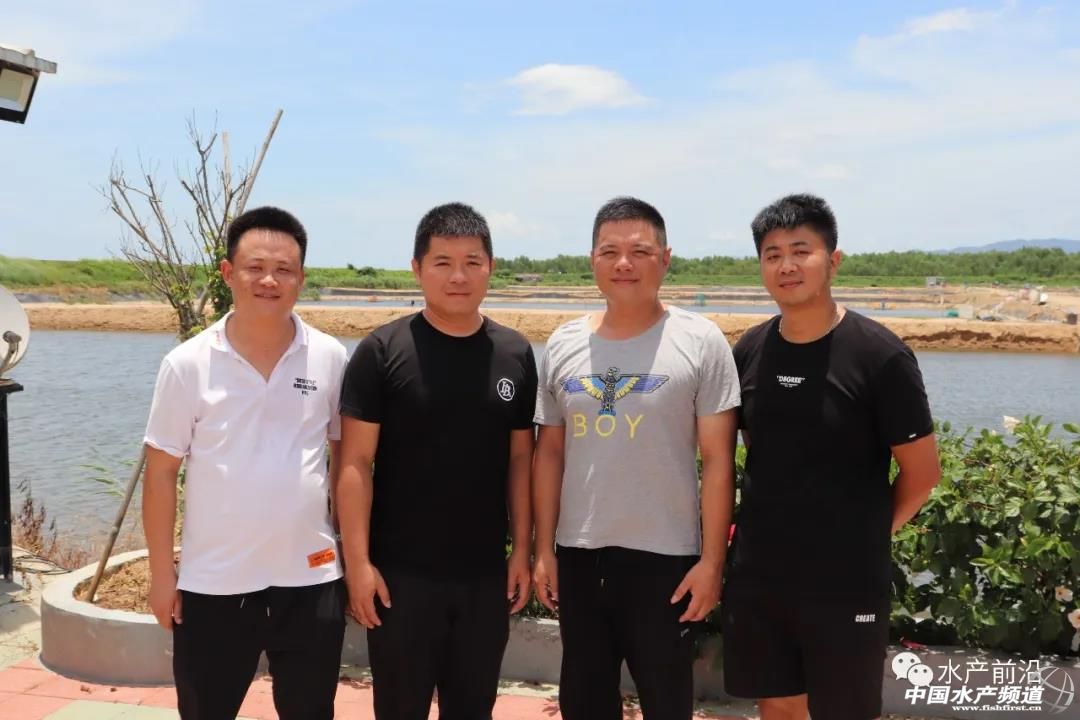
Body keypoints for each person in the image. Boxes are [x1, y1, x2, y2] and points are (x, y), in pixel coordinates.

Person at [721, 193, 942, 720]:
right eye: (773, 254)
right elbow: (756, 448)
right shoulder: (749, 351)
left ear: (833, 260)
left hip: (847, 582)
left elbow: (922, 473)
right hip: (761, 574)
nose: (787, 266)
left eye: (802, 251)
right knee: (778, 704)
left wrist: (864, 534)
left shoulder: (880, 356)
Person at [532, 196, 740, 720]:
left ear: (665, 259)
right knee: (584, 700)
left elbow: (718, 461)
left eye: (640, 251)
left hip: (666, 560)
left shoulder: (701, 341)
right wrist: (543, 550)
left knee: (667, 701)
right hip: (580, 554)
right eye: (610, 252)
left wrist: (711, 563)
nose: (624, 263)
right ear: (593, 260)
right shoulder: (562, 343)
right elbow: (549, 453)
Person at [142, 206, 348, 719]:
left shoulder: (329, 357)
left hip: (310, 579)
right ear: (228, 273)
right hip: (214, 582)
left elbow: (346, 460)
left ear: (301, 278)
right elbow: (161, 473)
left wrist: (352, 553)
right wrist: (162, 575)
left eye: (284, 269)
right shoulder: (187, 364)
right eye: (255, 267)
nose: (269, 280)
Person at [336, 202, 536, 719]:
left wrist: (522, 549)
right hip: (400, 577)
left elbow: (521, 458)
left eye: (472, 262)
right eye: (443, 262)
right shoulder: (381, 351)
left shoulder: (514, 353)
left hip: (483, 577)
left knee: (473, 708)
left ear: (491, 267)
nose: (458, 276)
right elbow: (355, 463)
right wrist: (358, 564)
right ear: (417, 268)